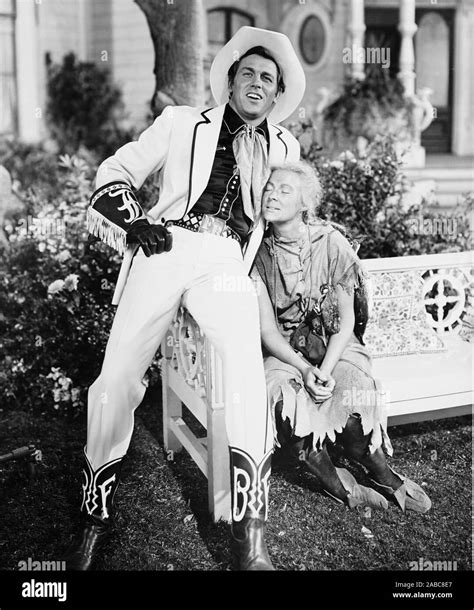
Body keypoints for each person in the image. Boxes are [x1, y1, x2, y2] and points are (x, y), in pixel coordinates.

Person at [64, 27, 306, 571]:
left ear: (276, 95)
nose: (256, 83)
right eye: (247, 73)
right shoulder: (180, 124)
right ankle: (93, 516)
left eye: (267, 79)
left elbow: (288, 211)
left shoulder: (285, 147)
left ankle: (251, 541)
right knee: (116, 376)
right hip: (167, 245)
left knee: (244, 370)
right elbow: (113, 173)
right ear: (230, 81)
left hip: (224, 262)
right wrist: (134, 224)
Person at [251, 161, 432, 513]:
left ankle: (381, 474)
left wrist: (327, 369)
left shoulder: (331, 242)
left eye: (284, 190)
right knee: (285, 411)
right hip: (286, 352)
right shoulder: (257, 251)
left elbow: (346, 319)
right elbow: (268, 331)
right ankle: (339, 486)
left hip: (336, 344)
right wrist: (304, 370)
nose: (272, 195)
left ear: (305, 203)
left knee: (353, 408)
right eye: (269, 188)